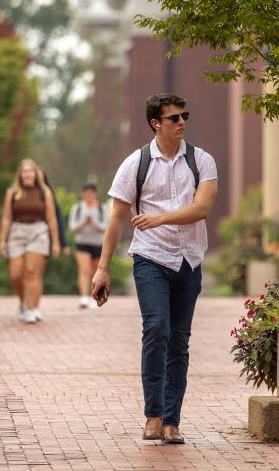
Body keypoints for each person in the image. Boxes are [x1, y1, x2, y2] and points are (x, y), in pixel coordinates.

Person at [91, 93, 217, 445]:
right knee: (157, 329)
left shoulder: (202, 161)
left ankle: (173, 421)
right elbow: (117, 219)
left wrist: (159, 217)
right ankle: (154, 415)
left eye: (184, 116)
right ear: (155, 123)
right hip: (151, 258)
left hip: (189, 260)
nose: (181, 123)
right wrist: (102, 269)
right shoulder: (136, 164)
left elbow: (201, 208)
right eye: (174, 118)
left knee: (179, 340)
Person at [0, 158, 60, 323]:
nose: (27, 174)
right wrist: (2, 240)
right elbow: (6, 218)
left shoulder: (44, 192)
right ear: (20, 174)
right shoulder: (12, 192)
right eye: (24, 171)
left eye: (30, 171)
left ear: (35, 174)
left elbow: (52, 218)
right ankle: (24, 301)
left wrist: (55, 241)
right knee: (16, 274)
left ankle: (31, 309)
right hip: (17, 233)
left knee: (32, 271)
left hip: (38, 232)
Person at [69, 180, 108, 309]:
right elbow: (72, 227)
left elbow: (107, 227)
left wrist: (95, 223)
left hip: (98, 244)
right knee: (84, 270)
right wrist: (82, 223)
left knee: (95, 272)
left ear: (95, 194)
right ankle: (84, 297)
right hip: (82, 243)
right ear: (83, 194)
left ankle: (94, 297)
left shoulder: (102, 208)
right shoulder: (78, 208)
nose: (89, 196)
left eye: (91, 193)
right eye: (86, 193)